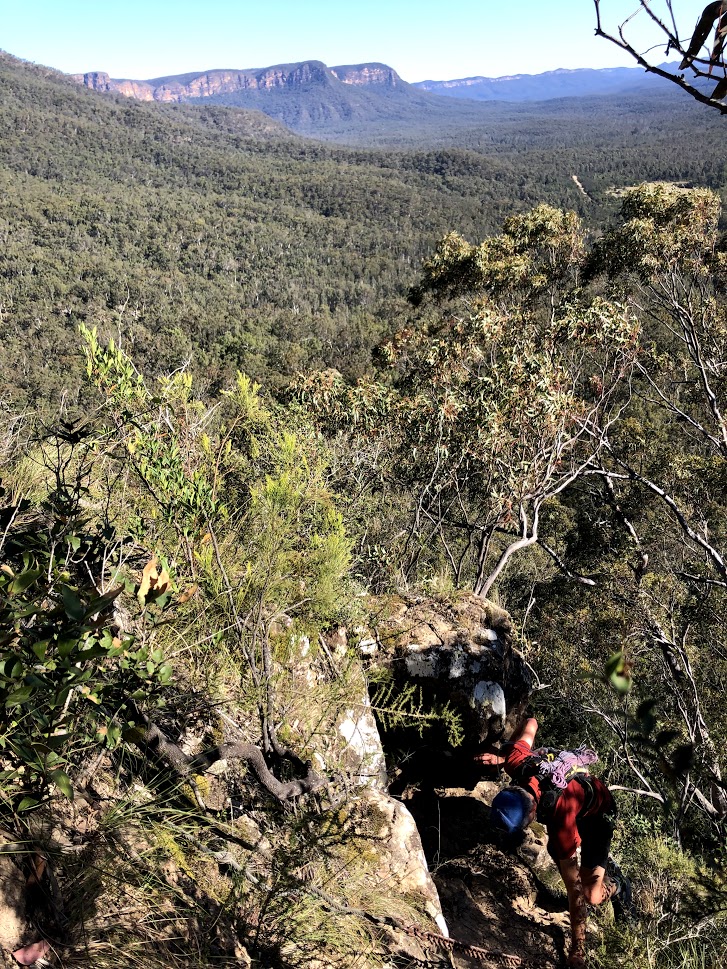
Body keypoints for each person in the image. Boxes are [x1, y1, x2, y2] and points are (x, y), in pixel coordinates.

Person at [475, 717, 631, 969]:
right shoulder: (518, 762)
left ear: (532, 813)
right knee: (558, 852)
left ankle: (619, 885)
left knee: (591, 895)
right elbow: (531, 723)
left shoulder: (561, 822)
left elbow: (575, 892)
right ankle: (600, 870)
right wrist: (502, 757)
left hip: (599, 814)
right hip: (578, 803)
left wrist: (577, 951)